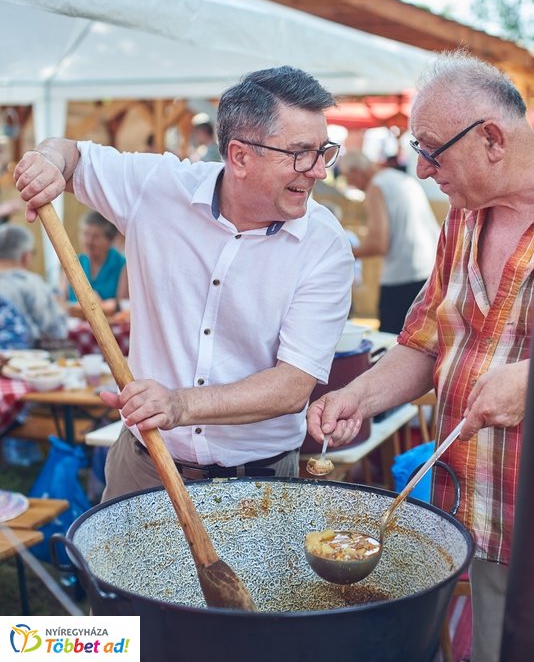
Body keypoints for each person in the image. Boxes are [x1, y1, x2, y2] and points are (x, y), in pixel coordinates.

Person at [14, 65, 354, 497]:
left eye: (324, 151)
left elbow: (291, 388)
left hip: (259, 483)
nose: (319, 170)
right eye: (302, 153)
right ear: (240, 156)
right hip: (144, 466)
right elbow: (69, 155)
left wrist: (178, 405)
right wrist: (45, 162)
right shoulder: (157, 187)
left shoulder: (324, 244)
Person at [307, 50, 533, 662]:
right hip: (475, 508)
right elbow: (425, 342)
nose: (424, 170)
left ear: (491, 138)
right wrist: (359, 395)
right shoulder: (461, 221)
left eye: (432, 150)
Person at [338, 149, 440, 333]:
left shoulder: (376, 187)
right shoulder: (399, 178)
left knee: (391, 339)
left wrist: (341, 254)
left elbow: (378, 243)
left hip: (402, 277)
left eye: (347, 177)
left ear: (356, 171)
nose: (349, 183)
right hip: (430, 269)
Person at [0, 224, 68, 346]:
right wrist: (61, 307)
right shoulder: (31, 284)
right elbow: (57, 332)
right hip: (21, 361)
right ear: (26, 256)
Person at [65, 210, 128, 315]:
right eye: (85, 234)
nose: (88, 241)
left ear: (110, 241)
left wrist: (102, 305)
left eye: (95, 237)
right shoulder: (72, 263)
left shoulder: (122, 266)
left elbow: (122, 307)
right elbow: (60, 299)